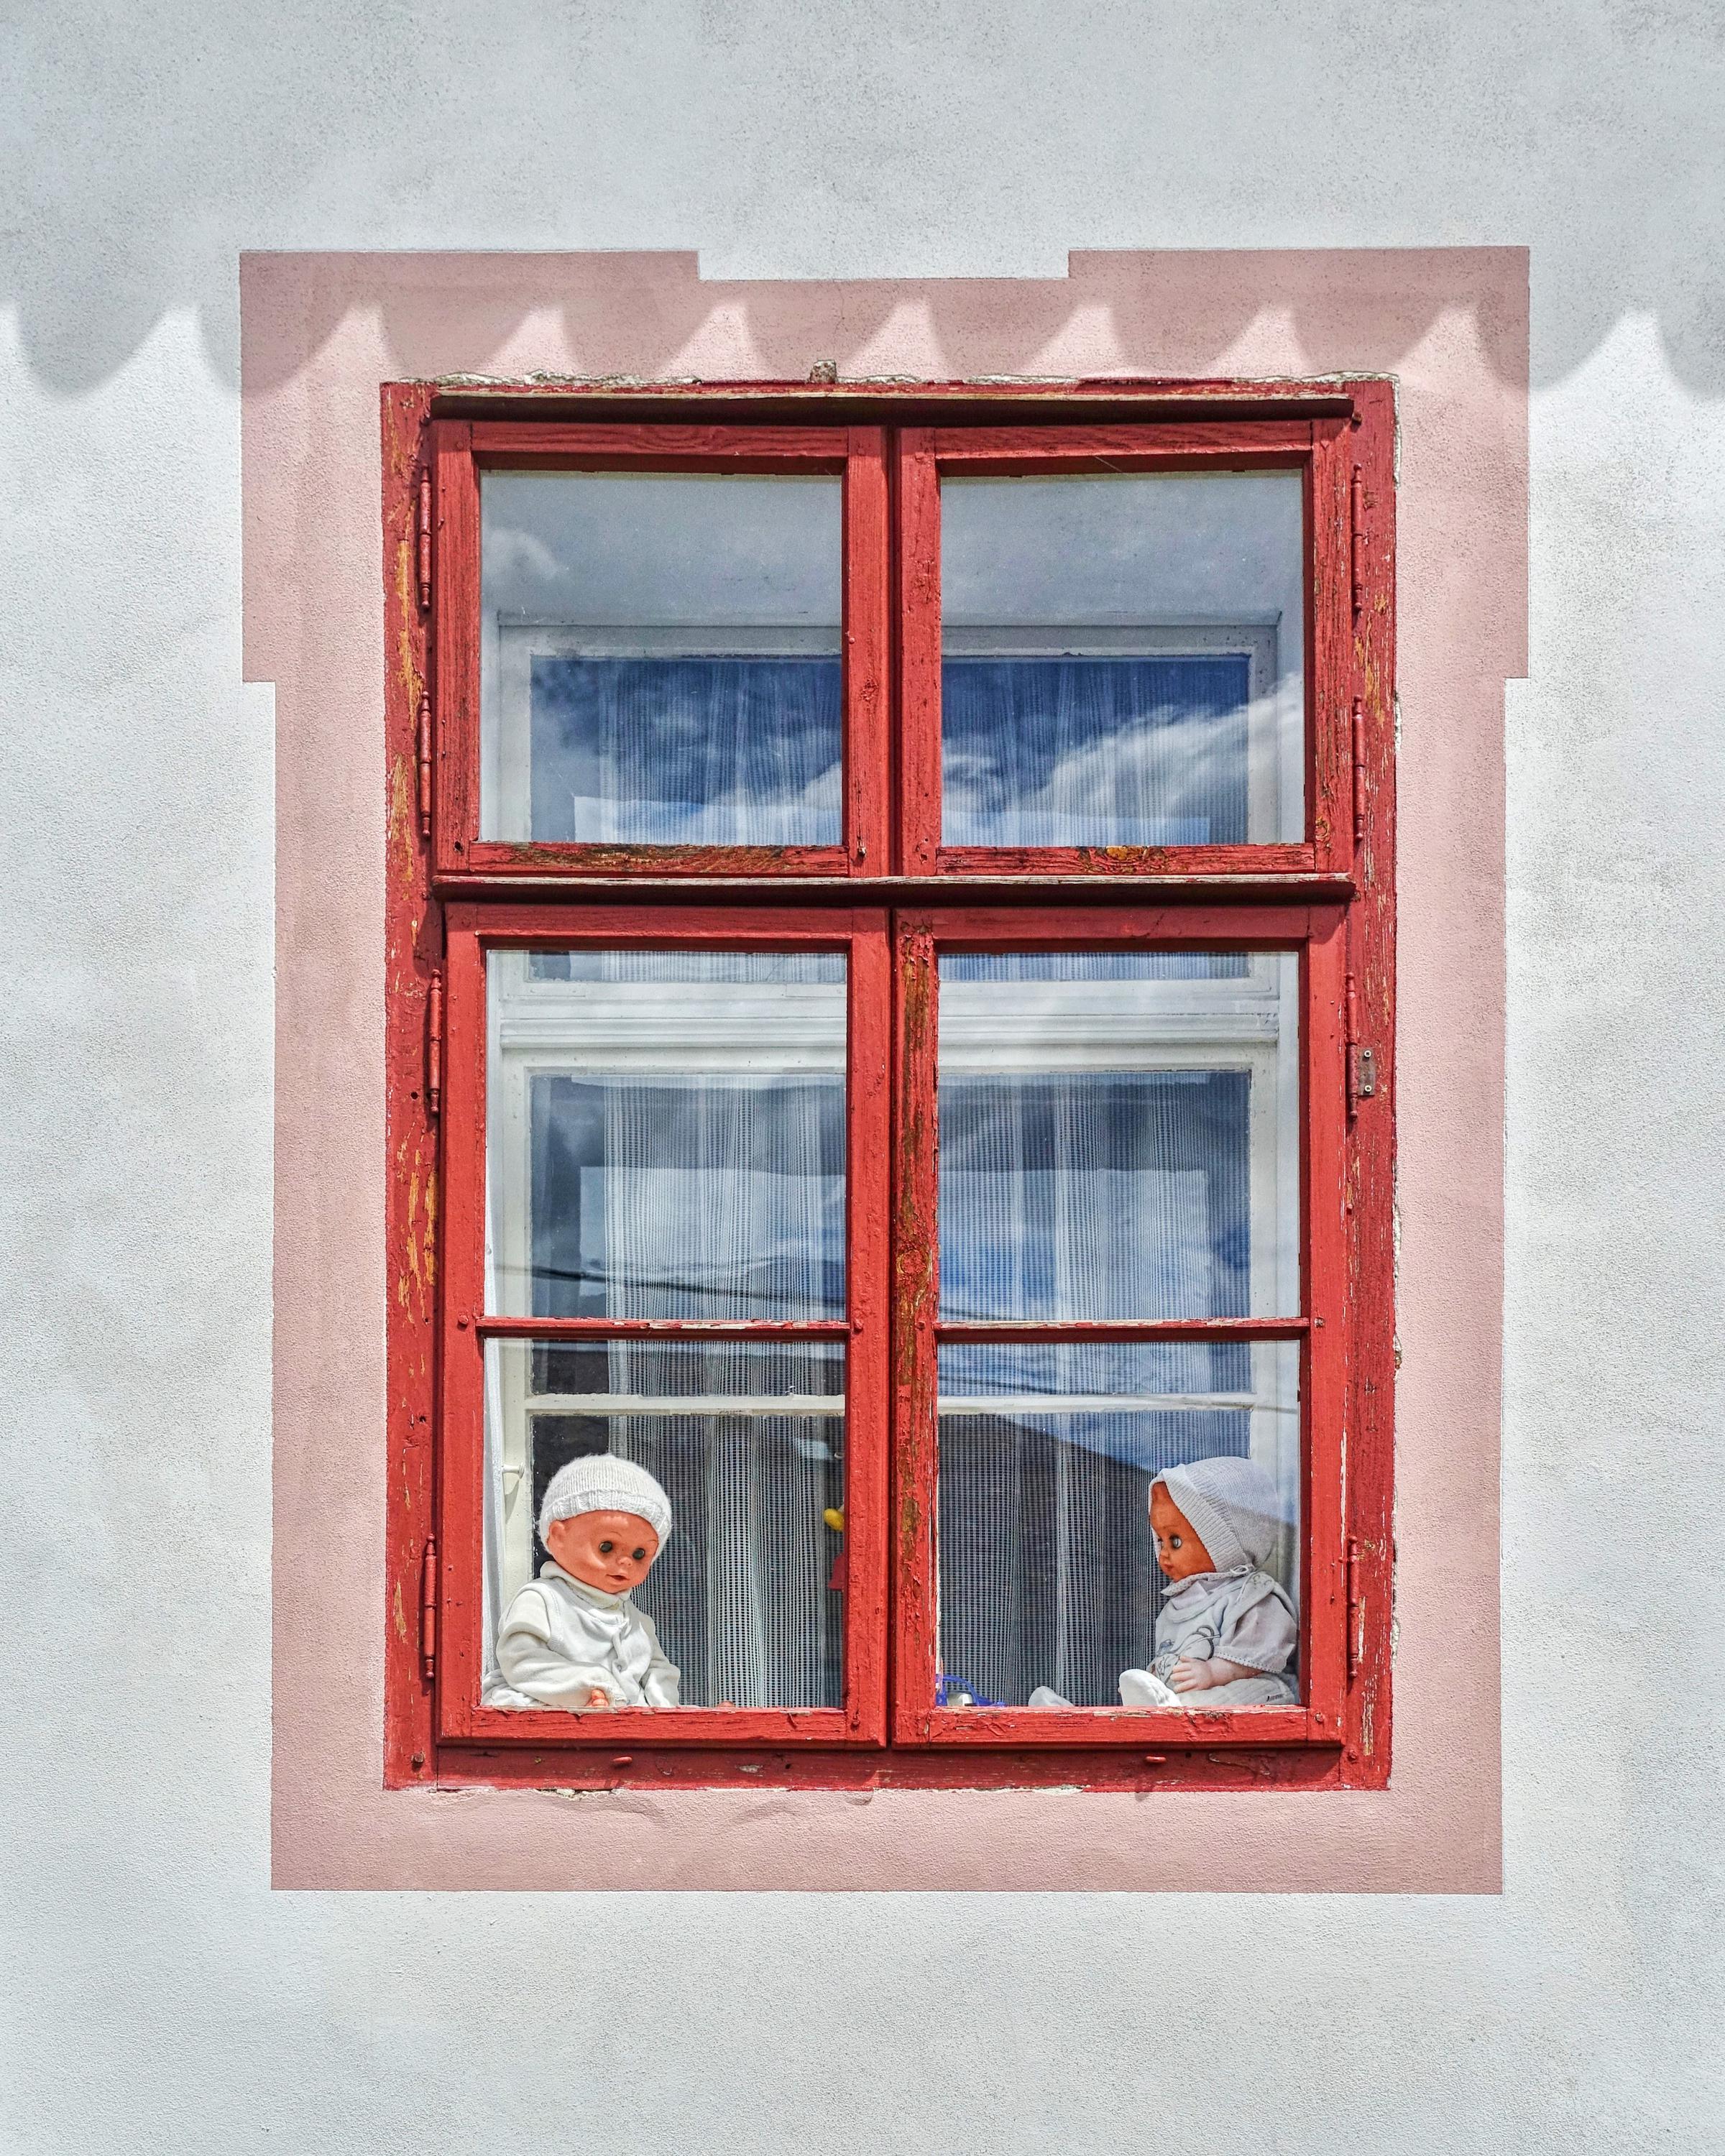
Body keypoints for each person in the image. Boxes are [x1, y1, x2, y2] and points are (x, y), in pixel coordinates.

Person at [1028, 1454, 1297, 1710]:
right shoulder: (1179, 1604)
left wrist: (1214, 1671)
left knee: (1241, 1695)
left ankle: (1162, 1709)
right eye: (1160, 1541)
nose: (1164, 1553)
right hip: (1186, 1700)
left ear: (1225, 1543)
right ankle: (1081, 1719)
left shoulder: (1250, 1594)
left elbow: (1263, 1651)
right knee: (1168, 1702)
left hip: (1250, 1695)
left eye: (1175, 1541)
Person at [482, 1454, 681, 1711]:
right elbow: (520, 1659)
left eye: (639, 1554)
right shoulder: (543, 1599)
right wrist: (586, 1687)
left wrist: (667, 1710)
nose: (625, 1562)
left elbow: (658, 1671)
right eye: (607, 1547)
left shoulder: (638, 1623)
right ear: (558, 1537)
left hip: (628, 1729)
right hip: (555, 1714)